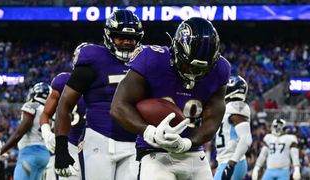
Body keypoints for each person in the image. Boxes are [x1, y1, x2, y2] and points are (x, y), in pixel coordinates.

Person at [110, 17, 231, 180]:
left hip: (194, 152)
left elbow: (212, 121)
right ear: (175, 50)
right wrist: (149, 132)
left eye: (201, 68)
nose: (193, 72)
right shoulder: (152, 59)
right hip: (155, 152)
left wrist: (187, 143)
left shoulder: (220, 69)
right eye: (189, 65)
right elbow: (118, 106)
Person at [54, 9, 144, 179]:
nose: (126, 42)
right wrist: (61, 148)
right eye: (120, 37)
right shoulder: (93, 58)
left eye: (131, 38)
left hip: (133, 143)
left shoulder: (145, 61)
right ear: (109, 37)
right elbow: (65, 105)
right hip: (99, 140)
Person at [39, 43, 87, 180]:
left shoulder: (103, 82)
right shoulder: (62, 81)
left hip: (97, 142)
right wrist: (47, 132)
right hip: (70, 143)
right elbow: (46, 114)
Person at [0, 82, 51, 180]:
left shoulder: (32, 106)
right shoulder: (49, 111)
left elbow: (21, 130)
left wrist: (1, 151)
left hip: (30, 154)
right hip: (44, 155)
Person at [214, 75, 252, 180]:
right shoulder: (227, 107)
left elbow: (246, 139)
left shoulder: (236, 106)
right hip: (226, 161)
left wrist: (231, 164)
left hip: (232, 161)